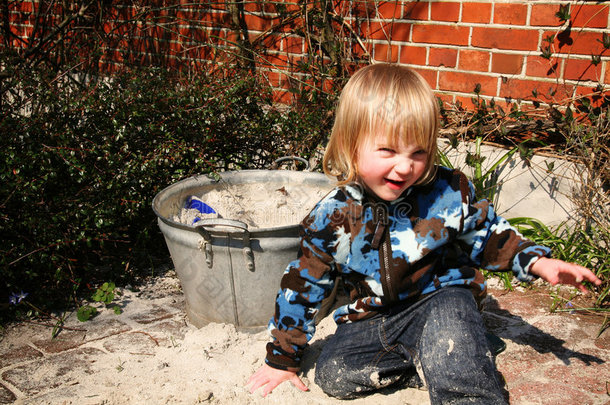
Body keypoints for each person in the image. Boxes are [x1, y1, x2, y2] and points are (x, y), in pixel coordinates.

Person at [247, 63, 602, 404]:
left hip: (443, 299)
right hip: (378, 317)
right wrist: (282, 358)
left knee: (455, 342)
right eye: (387, 150)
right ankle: (445, 357)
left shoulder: (447, 192)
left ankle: (460, 371)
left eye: (419, 152)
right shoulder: (333, 217)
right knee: (333, 374)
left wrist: (538, 262)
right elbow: (303, 287)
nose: (405, 166)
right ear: (350, 144)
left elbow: (487, 233)